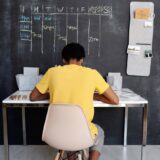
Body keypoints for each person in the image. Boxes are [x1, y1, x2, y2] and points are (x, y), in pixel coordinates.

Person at [30, 43, 119, 160]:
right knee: (99, 132)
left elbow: (33, 97)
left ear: (63, 59)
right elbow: (115, 100)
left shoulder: (52, 72)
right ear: (82, 59)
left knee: (68, 129)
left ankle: (71, 156)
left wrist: (52, 92)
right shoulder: (92, 74)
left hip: (56, 132)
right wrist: (94, 96)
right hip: (82, 134)